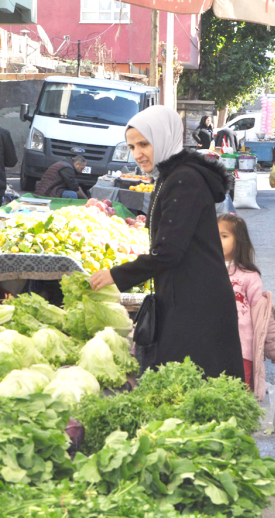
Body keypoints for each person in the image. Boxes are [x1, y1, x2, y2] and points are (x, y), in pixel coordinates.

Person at [89, 105, 244, 380]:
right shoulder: (171, 175)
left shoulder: (184, 179)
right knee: (182, 389)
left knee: (193, 389)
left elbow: (169, 252)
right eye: (132, 146)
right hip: (185, 296)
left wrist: (116, 275)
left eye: (144, 144)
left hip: (196, 303)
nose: (137, 154)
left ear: (162, 138)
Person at [218, 214, 275, 400]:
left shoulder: (249, 277)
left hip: (243, 349)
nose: (218, 241)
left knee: (240, 397)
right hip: (214, 346)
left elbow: (264, 316)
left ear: (239, 241)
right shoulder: (207, 271)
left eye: (224, 236)